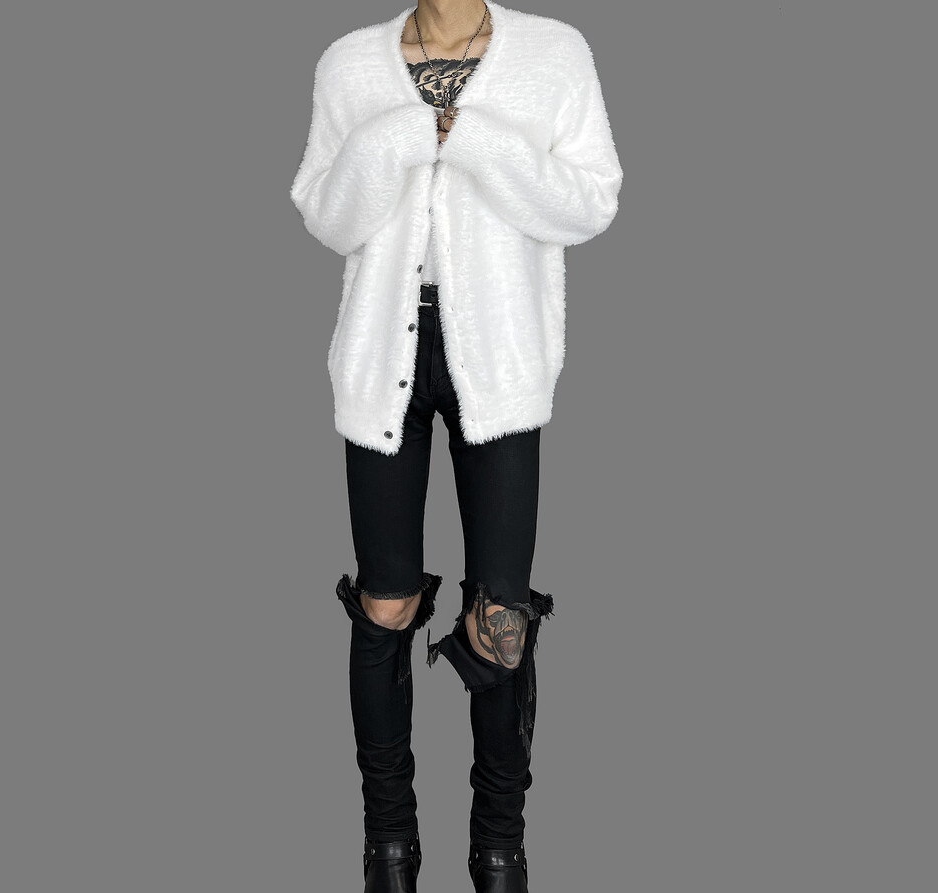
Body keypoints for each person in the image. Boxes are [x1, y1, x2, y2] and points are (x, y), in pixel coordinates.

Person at [289, 2, 623, 890]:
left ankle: (499, 846)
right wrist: (405, 131)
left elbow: (591, 201)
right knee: (386, 603)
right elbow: (325, 214)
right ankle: (389, 844)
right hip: (383, 354)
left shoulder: (555, 52)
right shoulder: (349, 63)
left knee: (500, 615)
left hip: (500, 357)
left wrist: (468, 135)